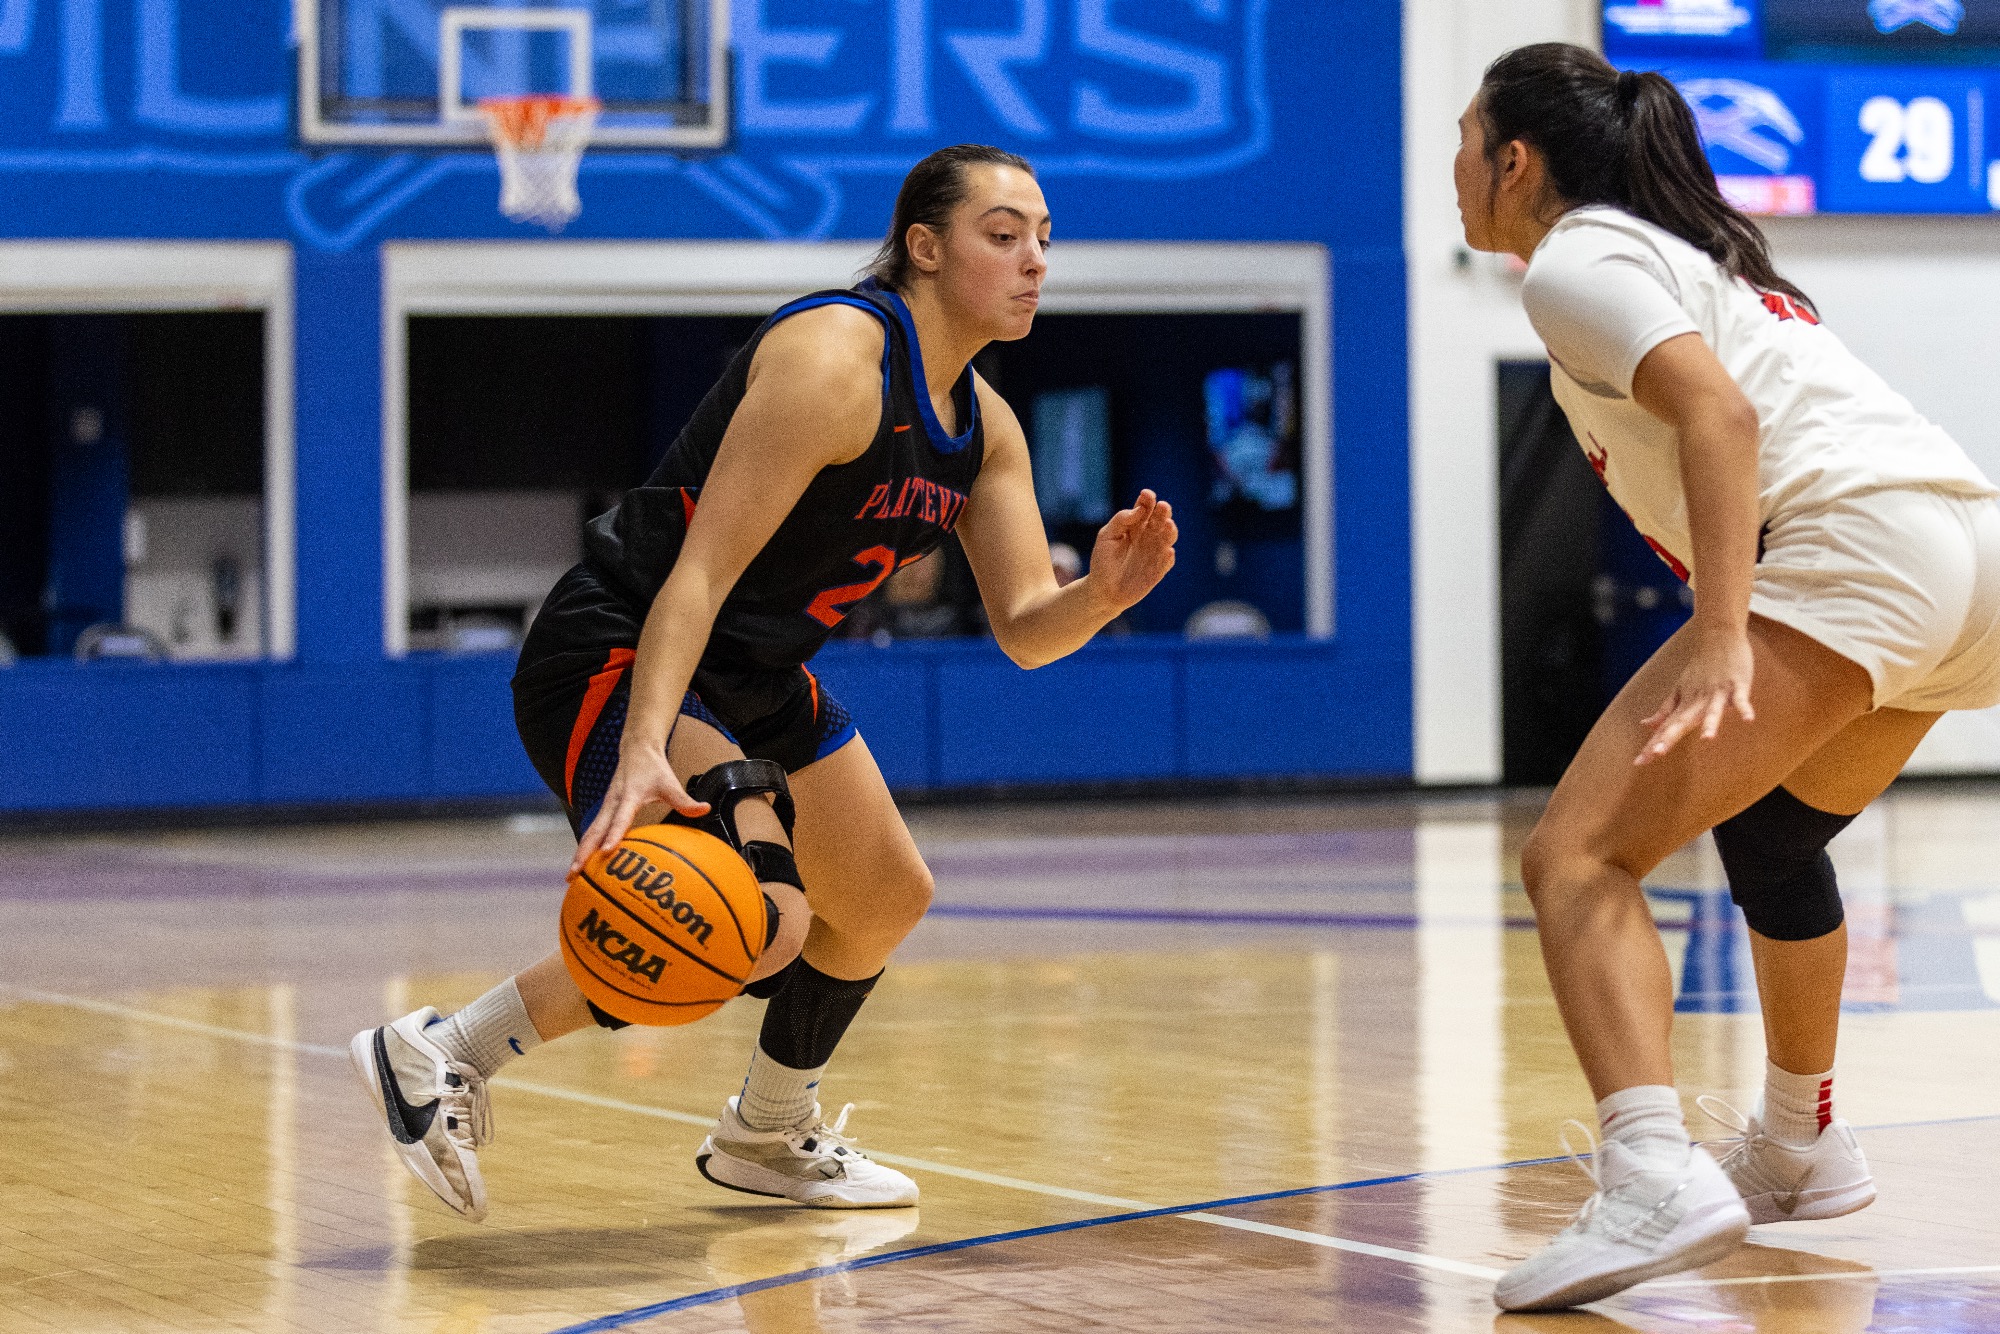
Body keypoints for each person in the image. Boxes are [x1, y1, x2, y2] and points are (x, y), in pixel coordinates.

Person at [349, 143, 1178, 1221]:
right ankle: (442, 1051)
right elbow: (695, 574)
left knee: (884, 896)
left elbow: (1025, 629)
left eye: (1044, 240)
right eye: (1003, 234)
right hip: (625, 641)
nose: (1033, 262)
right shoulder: (834, 357)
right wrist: (645, 742)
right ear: (924, 247)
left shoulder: (985, 430)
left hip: (754, 673)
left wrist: (1103, 594)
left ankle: (765, 1132)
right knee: (758, 917)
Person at [1455, 44, 2000, 1310]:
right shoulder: (1690, 261)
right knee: (1769, 832)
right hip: (1967, 562)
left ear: (1512, 160)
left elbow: (1722, 419)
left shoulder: (1580, 257)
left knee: (1573, 857)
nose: (1456, 169)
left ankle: (1649, 1167)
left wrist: (1716, 630)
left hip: (1855, 552)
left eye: (1464, 140)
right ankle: (1798, 1141)